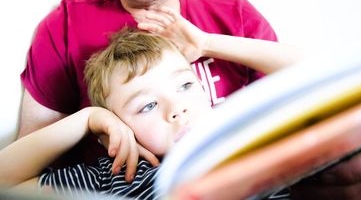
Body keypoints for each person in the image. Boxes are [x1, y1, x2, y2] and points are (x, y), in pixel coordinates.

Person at [17, 0, 361, 199]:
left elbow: (316, 80)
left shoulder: (236, 16)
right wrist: (92, 119)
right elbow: (20, 167)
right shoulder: (64, 27)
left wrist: (208, 43)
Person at [0, 27, 300, 199]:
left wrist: (208, 43)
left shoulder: (250, 143)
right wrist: (88, 119)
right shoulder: (113, 179)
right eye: (147, 106)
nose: (177, 109)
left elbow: (312, 74)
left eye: (185, 85)